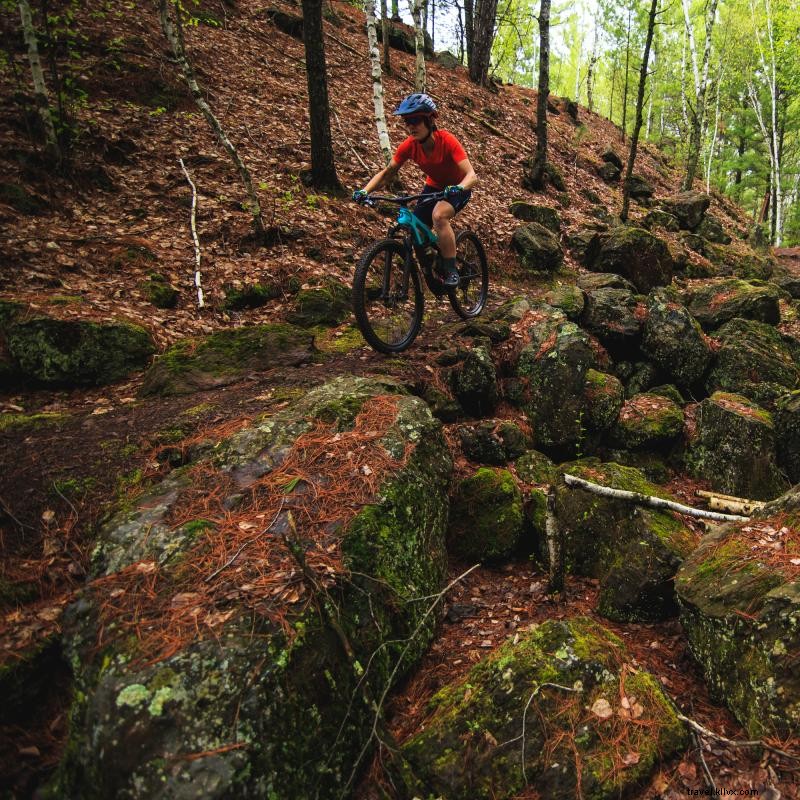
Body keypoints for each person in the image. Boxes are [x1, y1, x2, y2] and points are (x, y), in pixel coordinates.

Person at [353, 93, 477, 288]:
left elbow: (471, 175)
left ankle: (452, 270)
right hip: (434, 187)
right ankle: (434, 265)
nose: (411, 126)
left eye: (415, 120)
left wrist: (459, 187)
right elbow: (387, 173)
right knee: (416, 228)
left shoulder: (447, 141)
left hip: (459, 187)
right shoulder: (409, 146)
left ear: (429, 120)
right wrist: (364, 191)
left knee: (439, 216)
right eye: (407, 122)